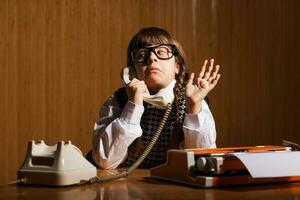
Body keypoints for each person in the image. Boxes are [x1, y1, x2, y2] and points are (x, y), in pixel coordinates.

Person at [92, 27, 221, 169]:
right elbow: (105, 161)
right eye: (142, 54)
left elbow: (201, 162)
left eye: (161, 52)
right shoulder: (118, 101)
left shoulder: (191, 100)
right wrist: (133, 107)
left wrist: (194, 108)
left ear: (177, 67)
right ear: (132, 71)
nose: (152, 58)